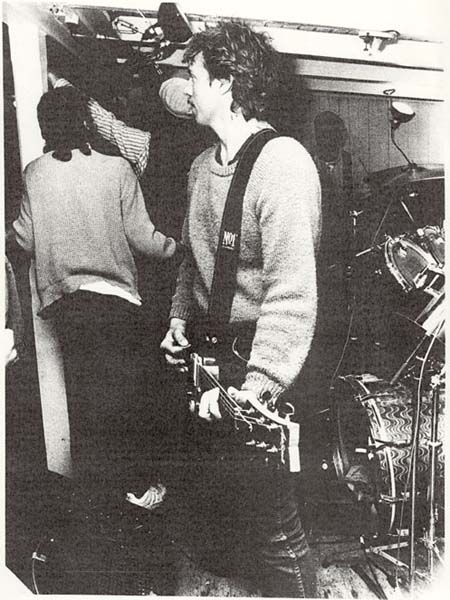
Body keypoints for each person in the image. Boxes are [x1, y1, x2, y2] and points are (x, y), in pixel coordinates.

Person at [160, 21, 321, 598]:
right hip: (212, 367)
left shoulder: (283, 164)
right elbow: (191, 261)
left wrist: (257, 391)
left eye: (194, 74)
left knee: (276, 533)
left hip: (259, 372)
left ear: (226, 83)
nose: (186, 87)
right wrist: (179, 318)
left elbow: (292, 293)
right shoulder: (200, 168)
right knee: (229, 518)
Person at [12, 86, 182, 511]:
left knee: (87, 403)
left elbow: (24, 239)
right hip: (116, 303)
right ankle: (138, 492)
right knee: (127, 401)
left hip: (67, 306)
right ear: (86, 123)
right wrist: (177, 248)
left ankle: (101, 503)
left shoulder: (35, 174)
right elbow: (143, 238)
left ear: (45, 128)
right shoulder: (116, 169)